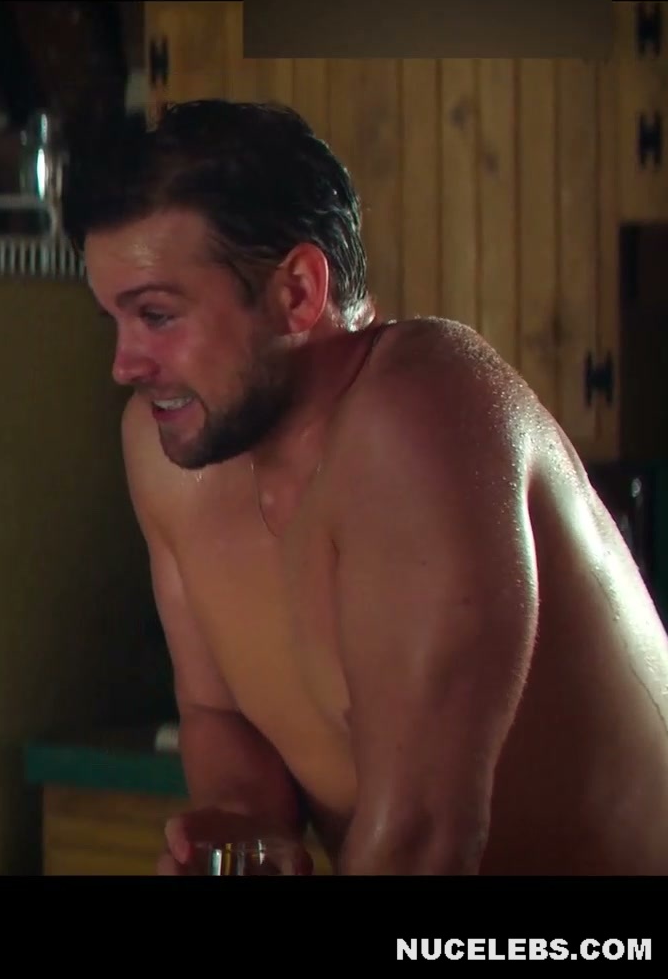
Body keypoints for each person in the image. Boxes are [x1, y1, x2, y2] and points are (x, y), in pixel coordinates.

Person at [71, 99, 668, 875]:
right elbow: (218, 713)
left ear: (297, 292)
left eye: (157, 315)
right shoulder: (170, 453)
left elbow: (426, 836)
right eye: (114, 321)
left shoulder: (419, 410)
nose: (125, 365)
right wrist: (250, 828)